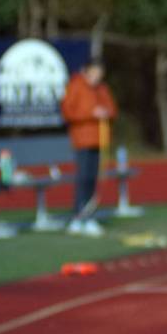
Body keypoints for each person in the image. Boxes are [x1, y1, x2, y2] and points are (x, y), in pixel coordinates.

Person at [60, 60, 118, 236]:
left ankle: (89, 215)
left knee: (93, 179)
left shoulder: (101, 88)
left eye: (99, 74)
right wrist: (90, 114)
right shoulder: (75, 86)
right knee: (83, 178)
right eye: (94, 73)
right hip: (82, 140)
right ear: (86, 71)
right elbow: (67, 112)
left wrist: (105, 112)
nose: (97, 77)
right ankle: (77, 216)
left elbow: (113, 109)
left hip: (99, 140)